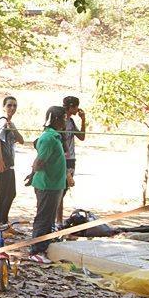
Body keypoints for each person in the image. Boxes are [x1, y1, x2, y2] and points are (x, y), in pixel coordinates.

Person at [27, 106, 68, 264]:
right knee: (43, 218)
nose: (65, 120)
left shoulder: (55, 137)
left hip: (55, 185)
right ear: (56, 119)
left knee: (49, 218)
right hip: (47, 185)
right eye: (63, 118)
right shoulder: (48, 138)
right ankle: (35, 251)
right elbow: (38, 163)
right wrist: (34, 173)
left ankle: (44, 246)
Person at [0, 96, 25, 231]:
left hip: (9, 163)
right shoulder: (1, 122)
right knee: (2, 193)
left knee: (9, 193)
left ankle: (2, 222)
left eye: (14, 106)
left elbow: (21, 140)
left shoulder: (10, 124)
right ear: (3, 107)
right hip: (3, 163)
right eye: (9, 105)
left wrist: (13, 129)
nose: (12, 108)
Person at [59, 96, 86, 226]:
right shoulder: (60, 121)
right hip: (62, 158)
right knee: (59, 190)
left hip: (71, 159)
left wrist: (83, 120)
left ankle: (58, 220)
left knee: (63, 190)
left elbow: (81, 137)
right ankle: (57, 221)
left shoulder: (71, 121)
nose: (77, 109)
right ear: (71, 107)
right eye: (76, 106)